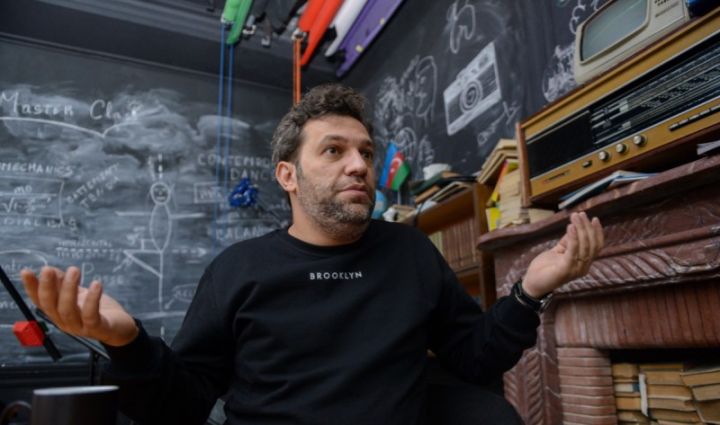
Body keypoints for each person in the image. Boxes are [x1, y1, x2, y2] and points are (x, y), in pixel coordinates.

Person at [20, 84, 604, 425]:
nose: (359, 165)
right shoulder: (237, 270)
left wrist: (530, 290)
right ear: (288, 176)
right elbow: (185, 405)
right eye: (334, 151)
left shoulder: (409, 252)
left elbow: (473, 360)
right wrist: (128, 343)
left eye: (366, 152)